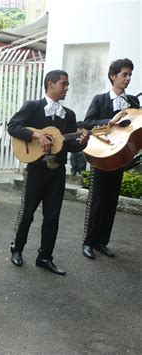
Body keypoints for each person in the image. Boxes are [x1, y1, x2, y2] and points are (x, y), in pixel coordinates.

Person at [7, 70, 89, 276]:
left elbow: (67, 146)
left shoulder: (68, 115)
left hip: (57, 173)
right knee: (27, 214)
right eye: (64, 84)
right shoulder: (33, 106)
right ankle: (17, 249)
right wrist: (36, 135)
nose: (67, 88)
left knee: (52, 217)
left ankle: (45, 257)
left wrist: (82, 143)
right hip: (35, 170)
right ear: (50, 84)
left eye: (67, 84)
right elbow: (13, 126)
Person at [82, 58, 140, 259]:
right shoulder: (100, 99)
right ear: (113, 76)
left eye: (130, 75)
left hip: (120, 157)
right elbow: (88, 124)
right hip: (101, 156)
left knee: (111, 201)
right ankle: (88, 242)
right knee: (96, 201)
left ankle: (101, 242)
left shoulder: (133, 102)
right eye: (124, 74)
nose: (128, 78)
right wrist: (110, 121)